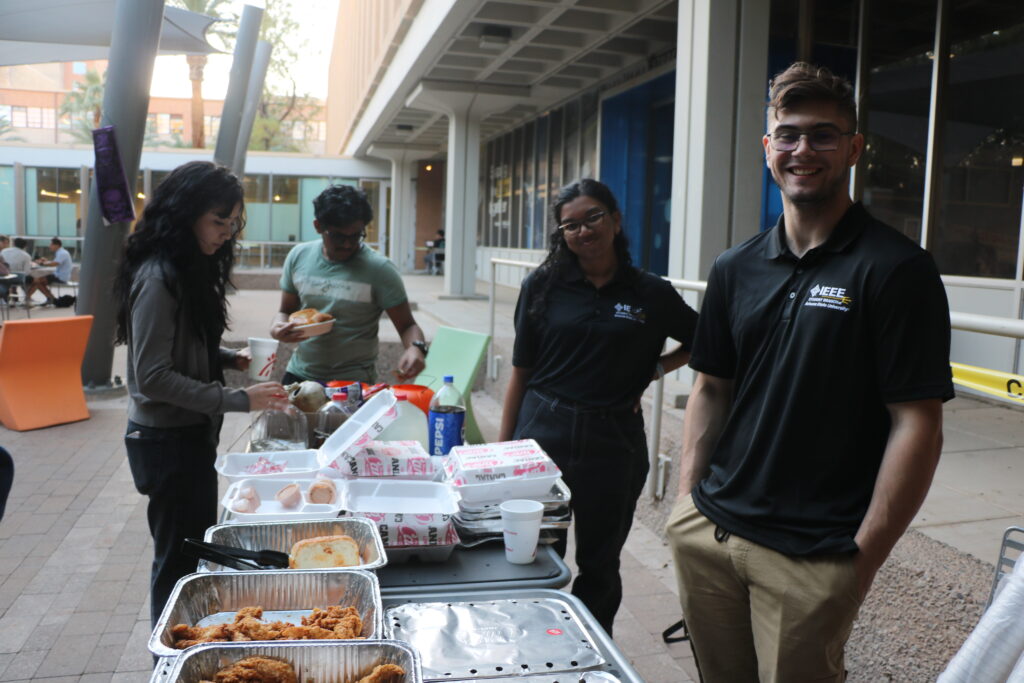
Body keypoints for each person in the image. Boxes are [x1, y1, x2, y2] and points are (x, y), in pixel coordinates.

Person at [665, 62, 953, 682]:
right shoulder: (735, 267)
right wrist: (687, 504)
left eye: (823, 135)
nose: (803, 150)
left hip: (812, 555)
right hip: (710, 534)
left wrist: (861, 562)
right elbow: (711, 387)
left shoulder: (897, 269)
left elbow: (917, 424)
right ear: (768, 148)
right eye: (789, 134)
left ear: (854, 148)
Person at [499, 178, 698, 635]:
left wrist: (655, 370)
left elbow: (703, 338)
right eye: (570, 225)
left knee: (600, 564)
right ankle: (536, 648)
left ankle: (592, 653)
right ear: (562, 234)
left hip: (614, 441)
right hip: (543, 433)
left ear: (615, 220)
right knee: (535, 556)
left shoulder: (650, 292)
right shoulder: (543, 285)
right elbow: (521, 371)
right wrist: (503, 451)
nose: (583, 231)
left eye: (593, 218)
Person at [114, 161, 287, 627]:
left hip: (187, 438)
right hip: (167, 445)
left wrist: (228, 358)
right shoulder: (158, 278)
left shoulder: (184, 268)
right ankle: (169, 657)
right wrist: (239, 399)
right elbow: (152, 376)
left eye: (232, 222)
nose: (226, 233)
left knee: (189, 558)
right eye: (218, 221)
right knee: (177, 564)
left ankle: (185, 646)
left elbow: (179, 347)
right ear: (184, 214)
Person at [270, 184, 427, 384]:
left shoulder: (380, 269)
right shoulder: (298, 256)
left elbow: (408, 325)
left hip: (353, 382)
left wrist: (416, 348)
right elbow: (285, 311)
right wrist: (277, 327)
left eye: (356, 236)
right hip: (299, 375)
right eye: (338, 236)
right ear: (318, 226)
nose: (347, 244)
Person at [26, 237, 73, 305]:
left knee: (37, 281)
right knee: (38, 281)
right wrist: (46, 261)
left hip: (60, 276)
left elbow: (55, 263)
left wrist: (42, 263)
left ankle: (49, 298)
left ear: (57, 245)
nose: (49, 246)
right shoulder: (60, 252)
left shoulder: (62, 253)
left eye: (51, 244)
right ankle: (50, 298)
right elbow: (55, 262)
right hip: (58, 275)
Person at [1, 237, 33, 304]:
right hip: (17, 277)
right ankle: (27, 297)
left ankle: (8, 297)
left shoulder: (3, 251)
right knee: (31, 279)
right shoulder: (26, 255)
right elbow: (27, 272)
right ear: (25, 246)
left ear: (13, 244)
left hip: (3, 277)